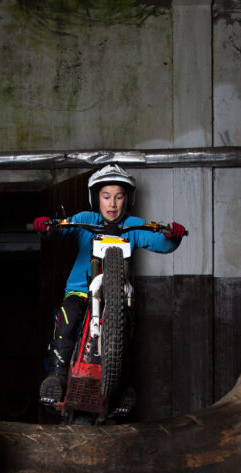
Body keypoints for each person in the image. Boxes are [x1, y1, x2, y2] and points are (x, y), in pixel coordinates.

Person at [32, 163, 186, 407]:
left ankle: (121, 386)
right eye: (106, 197)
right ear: (96, 198)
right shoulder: (86, 220)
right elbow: (60, 229)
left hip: (117, 297)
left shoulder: (133, 226)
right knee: (67, 318)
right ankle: (56, 376)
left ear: (127, 199)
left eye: (119, 197)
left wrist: (172, 236)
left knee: (126, 328)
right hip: (80, 291)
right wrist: (48, 227)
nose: (112, 204)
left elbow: (160, 243)